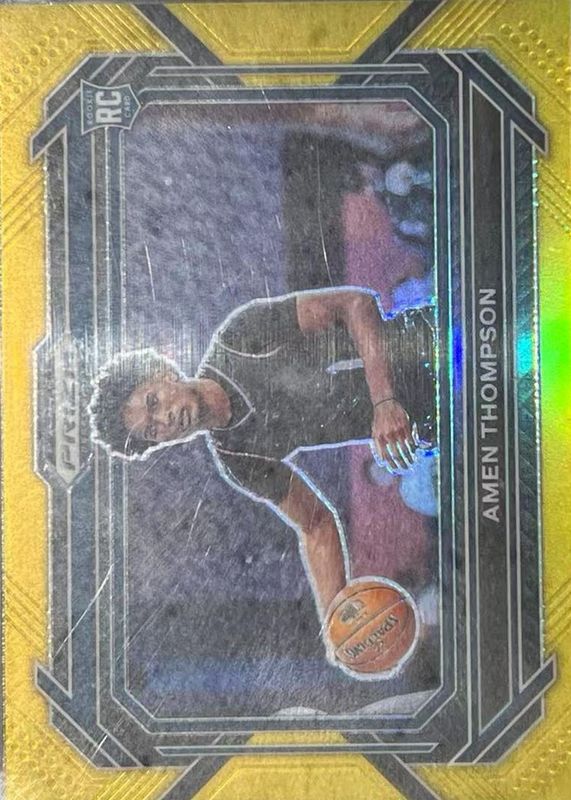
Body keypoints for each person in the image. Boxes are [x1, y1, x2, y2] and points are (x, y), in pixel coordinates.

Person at [89, 287, 436, 635]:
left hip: (433, 342)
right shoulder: (237, 459)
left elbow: (356, 304)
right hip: (435, 421)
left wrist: (384, 402)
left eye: (153, 401)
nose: (164, 419)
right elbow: (315, 525)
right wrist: (337, 626)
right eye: (152, 431)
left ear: (162, 373)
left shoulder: (239, 339)